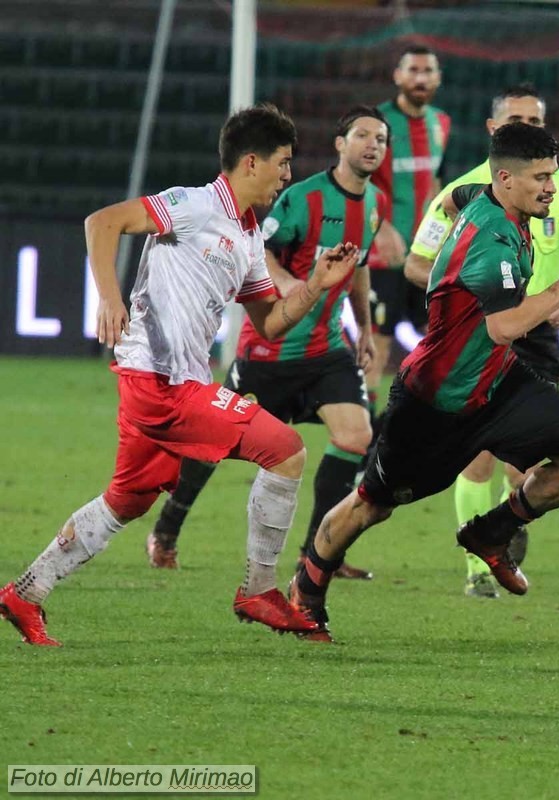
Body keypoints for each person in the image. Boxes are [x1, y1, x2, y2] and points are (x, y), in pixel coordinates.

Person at [0, 104, 362, 646]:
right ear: (250, 162)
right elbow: (103, 222)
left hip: (170, 381)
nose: (288, 175)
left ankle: (24, 593)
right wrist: (108, 296)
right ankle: (258, 589)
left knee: (129, 498)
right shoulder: (192, 204)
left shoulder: (246, 237)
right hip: (159, 381)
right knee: (285, 448)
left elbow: (270, 322)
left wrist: (316, 284)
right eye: (283, 163)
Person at [288, 122, 559, 642]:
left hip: (498, 383)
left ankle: (491, 532)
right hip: (435, 401)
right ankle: (307, 586)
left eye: (553, 175)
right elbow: (505, 326)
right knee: (372, 505)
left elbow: (459, 196)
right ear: (505, 179)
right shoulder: (494, 244)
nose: (552, 188)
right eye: (541, 178)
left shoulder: (487, 197)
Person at [145, 105, 395, 581]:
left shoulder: (377, 204)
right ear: (340, 144)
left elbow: (357, 266)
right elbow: (263, 253)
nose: (372, 145)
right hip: (270, 352)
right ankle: (167, 530)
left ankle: (316, 554)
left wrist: (363, 327)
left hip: (327, 350)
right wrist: (294, 290)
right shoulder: (302, 198)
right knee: (212, 444)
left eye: (380, 140)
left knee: (357, 437)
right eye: (362, 135)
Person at [405, 83, 559, 599]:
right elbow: (416, 262)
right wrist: (465, 294)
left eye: (536, 121)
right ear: (494, 130)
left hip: (536, 337)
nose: (530, 128)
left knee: (526, 471)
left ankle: (498, 531)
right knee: (478, 458)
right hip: (480, 333)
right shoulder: (463, 192)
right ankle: (476, 567)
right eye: (518, 120)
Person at [366, 44, 451, 420]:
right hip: (383, 255)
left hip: (425, 255)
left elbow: (435, 180)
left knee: (440, 339)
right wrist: (381, 227)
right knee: (376, 346)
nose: (421, 78)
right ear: (397, 76)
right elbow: (357, 181)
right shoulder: (376, 125)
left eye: (428, 71)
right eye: (413, 70)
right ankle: (364, 438)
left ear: (438, 78)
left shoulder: (441, 123)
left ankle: (427, 421)